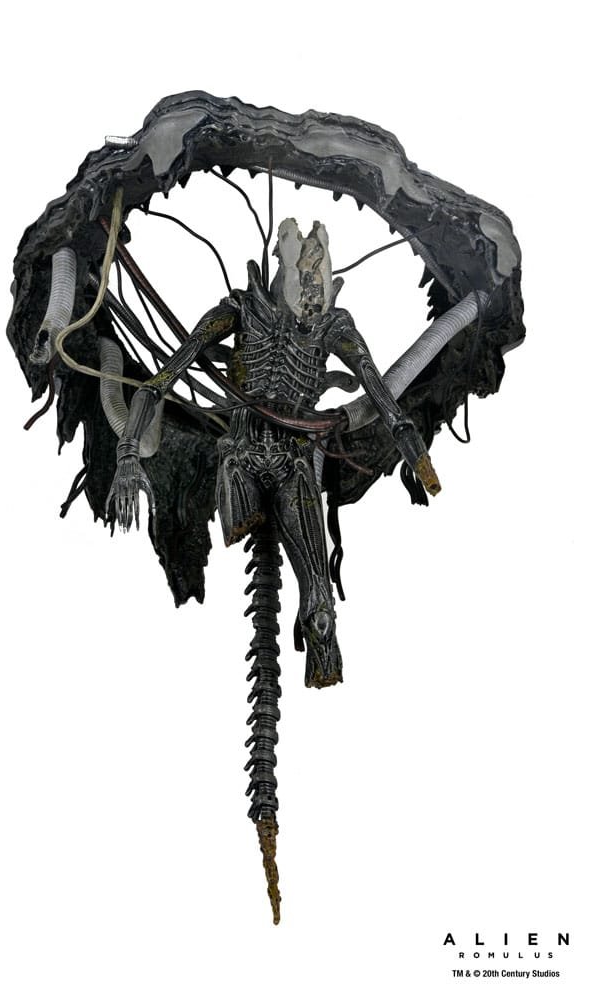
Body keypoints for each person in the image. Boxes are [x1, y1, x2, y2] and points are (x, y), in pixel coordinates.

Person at [108, 218, 440, 687]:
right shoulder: (241, 309)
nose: (311, 276)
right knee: (236, 482)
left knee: (321, 613)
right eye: (303, 261)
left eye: (319, 265)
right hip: (239, 455)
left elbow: (380, 393)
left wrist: (415, 454)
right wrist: (127, 454)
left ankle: (323, 668)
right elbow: (160, 382)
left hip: (296, 463)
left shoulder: (334, 326)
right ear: (282, 262)